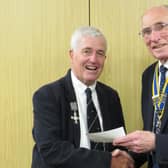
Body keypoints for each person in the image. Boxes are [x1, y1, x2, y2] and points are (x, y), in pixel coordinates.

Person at [31, 26, 134, 168]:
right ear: (72, 55)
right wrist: (107, 161)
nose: (93, 59)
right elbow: (52, 149)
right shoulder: (47, 96)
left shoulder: (111, 96)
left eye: (100, 53)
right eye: (87, 51)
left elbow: (119, 144)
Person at [113, 5, 168, 168]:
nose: (153, 37)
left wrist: (157, 142)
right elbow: (152, 130)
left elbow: (155, 140)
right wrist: (129, 157)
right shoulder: (149, 75)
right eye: (146, 32)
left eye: (160, 27)